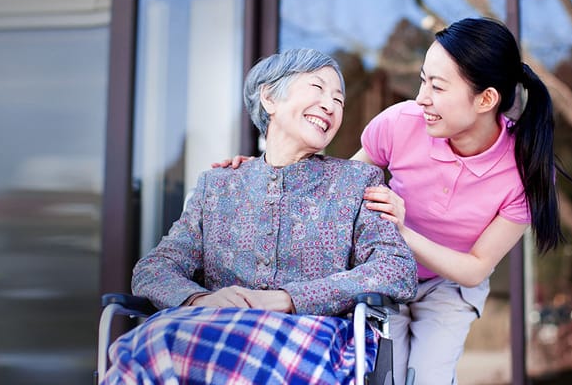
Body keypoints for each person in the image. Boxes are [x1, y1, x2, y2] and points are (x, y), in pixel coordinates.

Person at [214, 17, 565, 384]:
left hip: (451, 285)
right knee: (383, 374)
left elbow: (476, 267)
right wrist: (264, 170)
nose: (421, 98)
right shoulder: (400, 123)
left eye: (438, 87)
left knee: (427, 377)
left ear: (486, 99)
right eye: (423, 80)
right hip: (382, 271)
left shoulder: (525, 169)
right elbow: (332, 193)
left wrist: (402, 230)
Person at [100, 48, 417, 384]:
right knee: (149, 342)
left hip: (313, 338)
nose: (330, 105)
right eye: (317, 88)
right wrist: (200, 299)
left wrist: (289, 300)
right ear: (269, 98)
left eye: (339, 100)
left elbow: (394, 268)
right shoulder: (218, 186)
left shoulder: (355, 182)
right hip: (209, 331)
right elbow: (154, 269)